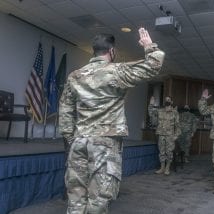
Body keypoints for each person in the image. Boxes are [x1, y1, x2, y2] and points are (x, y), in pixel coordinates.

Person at [59, 28, 165, 213]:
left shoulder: (74, 76)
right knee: (98, 200)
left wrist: (70, 139)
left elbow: (65, 110)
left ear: (94, 51)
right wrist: (149, 46)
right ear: (112, 51)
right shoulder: (117, 71)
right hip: (105, 144)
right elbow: (153, 65)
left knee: (75, 198)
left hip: (79, 141)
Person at [148, 96, 181, 175]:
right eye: (166, 100)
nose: (167, 101)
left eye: (168, 100)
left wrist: (176, 135)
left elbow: (178, 125)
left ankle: (167, 168)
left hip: (170, 136)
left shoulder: (175, 112)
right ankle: (162, 167)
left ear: (171, 102)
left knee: (169, 152)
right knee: (161, 152)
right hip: (161, 134)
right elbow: (151, 113)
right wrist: (151, 104)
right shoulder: (160, 111)